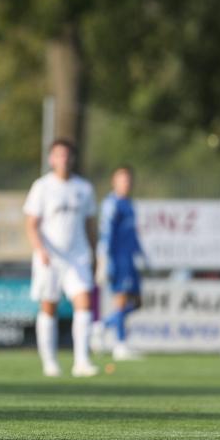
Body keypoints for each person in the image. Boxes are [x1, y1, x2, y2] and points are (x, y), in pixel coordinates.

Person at [23, 139, 99, 378]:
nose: (63, 160)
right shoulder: (42, 187)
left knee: (84, 301)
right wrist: (41, 250)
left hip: (77, 256)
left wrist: (93, 253)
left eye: (66, 155)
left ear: (72, 158)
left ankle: (82, 361)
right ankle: (50, 361)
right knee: (49, 306)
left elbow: (89, 224)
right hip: (50, 258)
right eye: (58, 155)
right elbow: (31, 224)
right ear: (51, 159)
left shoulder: (84, 188)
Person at [96, 166, 147, 361]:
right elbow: (106, 233)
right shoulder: (111, 204)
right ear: (114, 182)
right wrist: (103, 260)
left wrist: (142, 255)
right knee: (121, 300)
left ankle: (102, 326)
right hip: (117, 258)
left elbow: (132, 234)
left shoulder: (129, 204)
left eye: (128, 180)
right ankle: (120, 345)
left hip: (130, 258)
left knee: (138, 302)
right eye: (122, 179)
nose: (126, 183)